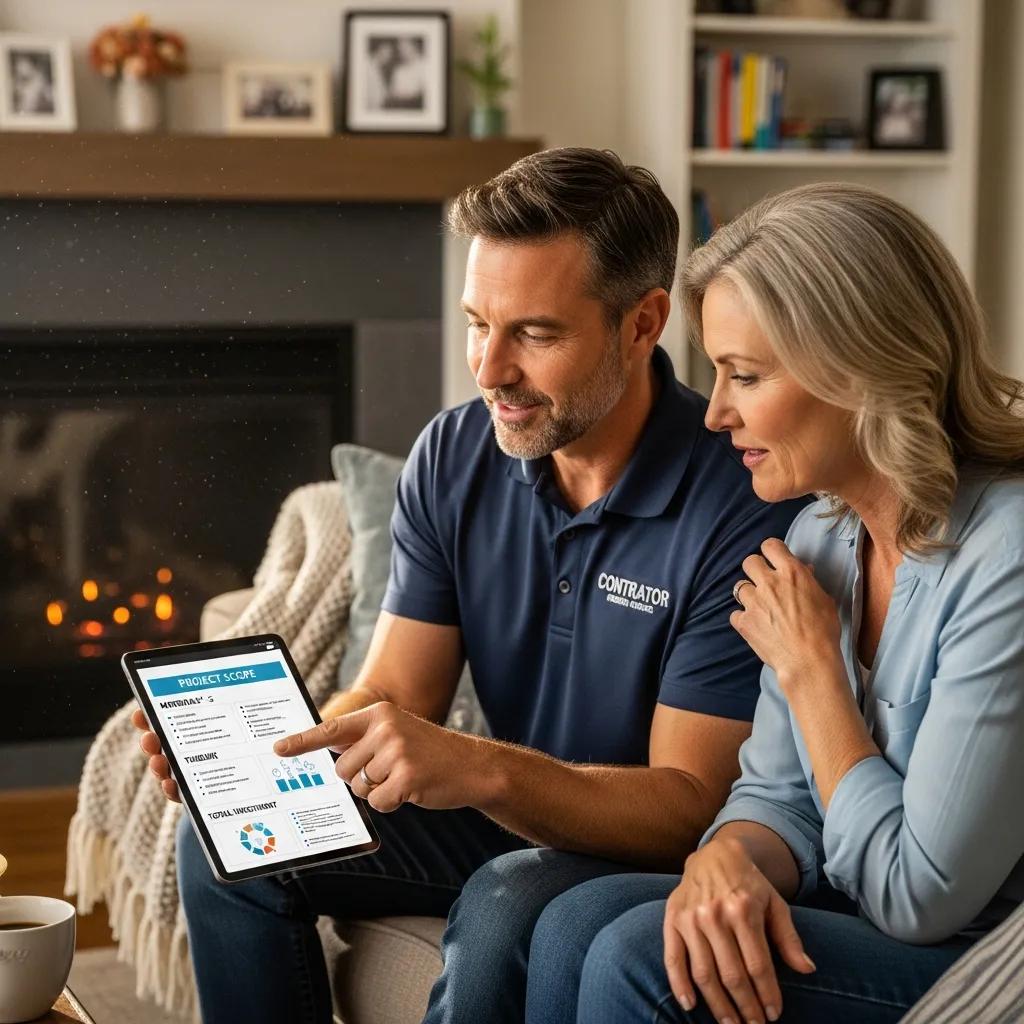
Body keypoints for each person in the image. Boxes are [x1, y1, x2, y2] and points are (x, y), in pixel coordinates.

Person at [133, 147, 806, 1024]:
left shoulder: (738, 499)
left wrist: (479, 767)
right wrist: (270, 755)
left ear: (643, 325)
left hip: (640, 845)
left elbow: (687, 805)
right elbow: (394, 693)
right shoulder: (452, 455)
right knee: (227, 839)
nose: (489, 370)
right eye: (475, 323)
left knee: (502, 903)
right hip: (506, 806)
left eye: (535, 333)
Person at [521, 181, 1024, 1024]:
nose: (715, 413)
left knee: (641, 958)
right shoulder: (823, 538)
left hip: (988, 964)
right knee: (572, 920)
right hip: (872, 915)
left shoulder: (1005, 556)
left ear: (859, 368)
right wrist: (729, 855)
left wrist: (815, 672)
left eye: (744, 375)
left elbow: (918, 895)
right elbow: (777, 794)